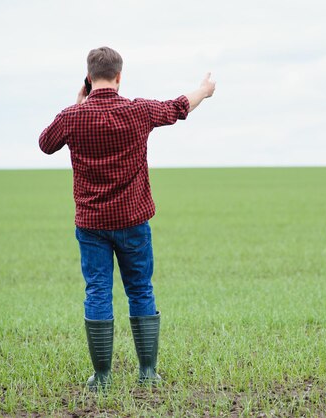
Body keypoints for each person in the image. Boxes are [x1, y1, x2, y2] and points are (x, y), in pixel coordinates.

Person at [38, 46, 215, 390]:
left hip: (91, 226)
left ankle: (102, 377)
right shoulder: (138, 111)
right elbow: (179, 107)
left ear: (88, 79)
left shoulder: (71, 117)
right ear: (120, 77)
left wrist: (77, 106)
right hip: (133, 221)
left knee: (98, 292)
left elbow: (46, 143)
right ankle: (147, 372)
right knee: (140, 290)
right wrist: (204, 91)